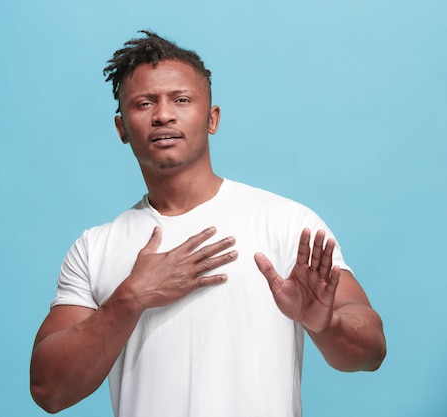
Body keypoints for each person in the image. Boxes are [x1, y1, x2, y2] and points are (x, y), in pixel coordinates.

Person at [30, 30, 386, 417]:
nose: (163, 114)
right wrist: (130, 299)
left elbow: (371, 352)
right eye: (144, 103)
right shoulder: (94, 247)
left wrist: (326, 324)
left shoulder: (286, 222)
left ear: (212, 118)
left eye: (181, 100)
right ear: (121, 129)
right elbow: (49, 390)